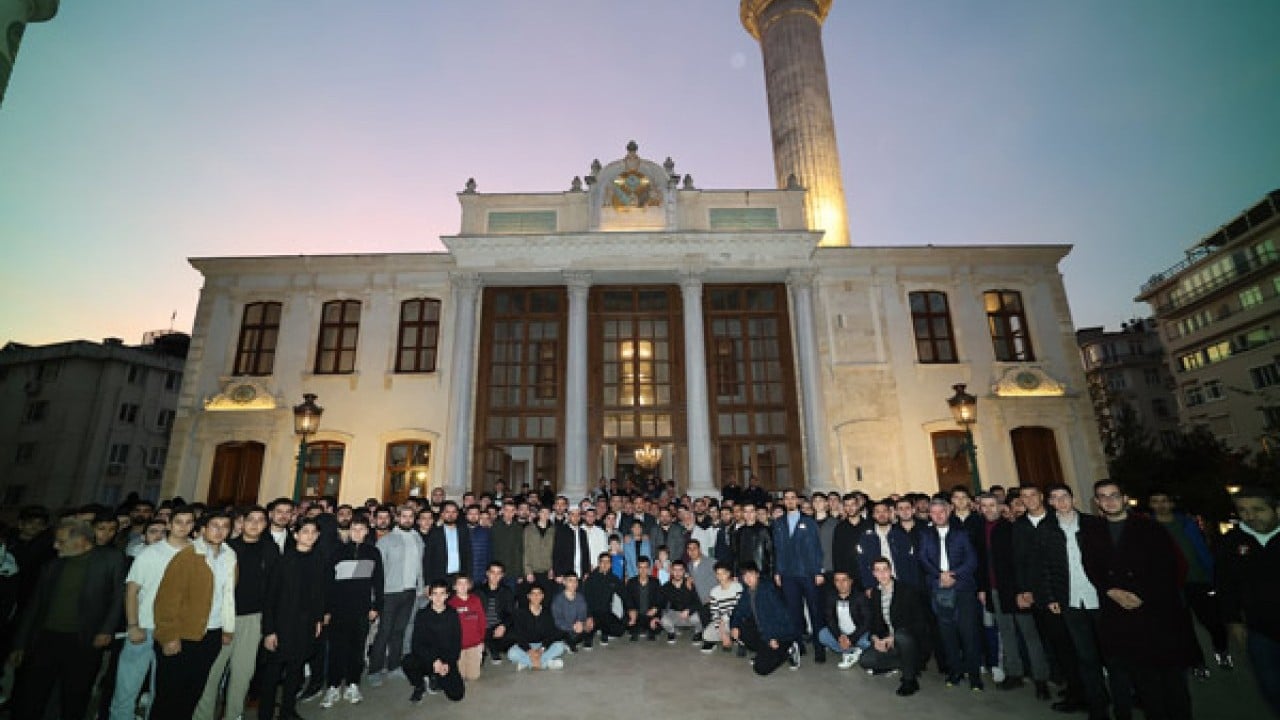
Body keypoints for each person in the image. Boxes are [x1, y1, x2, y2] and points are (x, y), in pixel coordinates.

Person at [1081, 479, 1199, 720]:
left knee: (1171, 681)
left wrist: (1142, 595)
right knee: (1144, 681)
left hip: (1157, 612)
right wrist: (1110, 590)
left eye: (1114, 495)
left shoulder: (1150, 528)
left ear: (1125, 499)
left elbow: (1169, 568)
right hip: (1120, 612)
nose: (1109, 501)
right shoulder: (1093, 532)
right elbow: (1091, 566)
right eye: (1103, 496)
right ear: (1097, 502)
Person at [7, 518, 124, 720]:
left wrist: (106, 630)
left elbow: (118, 597)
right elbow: (34, 607)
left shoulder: (111, 559)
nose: (55, 546)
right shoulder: (52, 565)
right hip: (46, 638)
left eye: (61, 541)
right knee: (32, 695)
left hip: (84, 640)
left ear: (81, 541)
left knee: (75, 697)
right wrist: (20, 644)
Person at [1039, 484, 1116, 720]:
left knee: (1113, 653)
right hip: (1070, 599)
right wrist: (1051, 596)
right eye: (1055, 498)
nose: (1061, 501)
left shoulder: (1093, 524)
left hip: (1099, 597)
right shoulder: (1046, 528)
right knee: (1086, 657)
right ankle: (1098, 707)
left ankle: (1125, 700)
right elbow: (1045, 566)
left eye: (1065, 496)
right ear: (1050, 502)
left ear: (1073, 498)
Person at [109, 508, 193, 720]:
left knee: (162, 690)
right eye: (179, 522)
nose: (183, 526)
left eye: (189, 522)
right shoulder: (150, 553)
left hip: (174, 629)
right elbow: (131, 591)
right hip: (144, 625)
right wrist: (132, 625)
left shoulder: (196, 552)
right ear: (170, 524)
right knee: (127, 688)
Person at [196, 505, 280, 720]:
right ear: (241, 523)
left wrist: (269, 625)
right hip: (221, 617)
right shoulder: (227, 548)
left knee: (243, 673)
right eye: (250, 519)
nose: (255, 524)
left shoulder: (270, 550)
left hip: (252, 618)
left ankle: (233, 715)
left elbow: (273, 589)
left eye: (260, 520)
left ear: (266, 524)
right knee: (212, 672)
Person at [152, 511, 237, 720]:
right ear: (203, 529)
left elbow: (227, 597)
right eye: (214, 525)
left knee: (193, 693)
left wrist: (227, 627)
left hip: (212, 633)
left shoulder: (230, 557)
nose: (219, 530)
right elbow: (167, 599)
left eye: (225, 526)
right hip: (183, 634)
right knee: (169, 696)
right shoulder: (188, 556)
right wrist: (169, 635)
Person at [1148, 488, 1232, 673]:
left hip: (1198, 579)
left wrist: (1212, 573)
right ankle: (1197, 662)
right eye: (1156, 501)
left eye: (1164, 500)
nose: (1160, 505)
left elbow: (1201, 548)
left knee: (1213, 621)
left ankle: (1222, 651)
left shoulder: (1186, 523)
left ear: (1171, 503)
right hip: (1171, 584)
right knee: (1184, 627)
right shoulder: (1148, 527)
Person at [977, 492, 1051, 699]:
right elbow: (982, 563)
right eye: (984, 506)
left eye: (992, 505)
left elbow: (1022, 561)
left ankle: (1041, 679)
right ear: (980, 508)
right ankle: (1014, 673)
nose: (988, 509)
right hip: (994, 590)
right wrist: (983, 588)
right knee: (1006, 632)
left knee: (1029, 634)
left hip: (1016, 590)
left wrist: (1024, 590)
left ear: (1000, 507)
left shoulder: (1012, 528)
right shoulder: (980, 530)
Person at [1216, 485, 1280, 717]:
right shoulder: (1231, 542)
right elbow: (1225, 585)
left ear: (1277, 510)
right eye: (1243, 510)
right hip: (1260, 630)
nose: (1250, 516)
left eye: (1258, 509)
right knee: (1271, 686)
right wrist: (1233, 621)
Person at [918, 497, 985, 690]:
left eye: (942, 511)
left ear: (949, 512)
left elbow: (971, 560)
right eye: (934, 512)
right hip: (939, 588)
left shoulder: (961, 533)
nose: (938, 515)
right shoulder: (925, 535)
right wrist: (940, 575)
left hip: (962, 588)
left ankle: (974, 676)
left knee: (968, 633)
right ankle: (955, 671)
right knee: (947, 634)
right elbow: (923, 559)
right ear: (930, 515)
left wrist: (953, 575)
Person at [321, 514, 383, 708]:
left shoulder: (373, 553)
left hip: (362, 609)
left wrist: (376, 607)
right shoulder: (337, 552)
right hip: (338, 609)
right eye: (353, 529)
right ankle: (333, 686)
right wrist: (327, 609)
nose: (357, 532)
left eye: (361, 529)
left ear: (366, 531)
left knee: (357, 649)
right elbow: (327, 583)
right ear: (348, 531)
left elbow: (378, 582)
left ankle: (353, 684)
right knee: (337, 649)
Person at [369, 504, 424, 686]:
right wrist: (375, 597)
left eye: (410, 516)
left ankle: (394, 666)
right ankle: (375, 669)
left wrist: (420, 588)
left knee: (399, 631)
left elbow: (420, 567)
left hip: (410, 592)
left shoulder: (417, 538)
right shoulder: (386, 541)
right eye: (404, 516)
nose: (407, 519)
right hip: (389, 593)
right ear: (397, 518)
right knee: (384, 632)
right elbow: (377, 571)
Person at [860, 557, 929, 696]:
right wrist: (876, 639)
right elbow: (874, 623)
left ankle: (909, 679)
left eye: (885, 569)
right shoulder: (875, 593)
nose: (882, 574)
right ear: (873, 574)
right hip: (890, 642)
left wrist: (893, 637)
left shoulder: (906, 590)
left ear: (891, 571)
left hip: (910, 640)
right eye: (878, 570)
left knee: (901, 636)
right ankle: (908, 664)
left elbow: (920, 623)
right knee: (866, 660)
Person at [730, 561, 800, 675]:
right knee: (742, 629)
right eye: (745, 576)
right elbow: (739, 611)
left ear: (757, 574)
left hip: (781, 634)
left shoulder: (768, 590)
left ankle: (789, 649)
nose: (748, 579)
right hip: (765, 632)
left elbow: (782, 617)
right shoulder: (748, 591)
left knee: (761, 669)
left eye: (751, 574)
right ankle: (763, 652)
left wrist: (773, 637)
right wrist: (734, 626)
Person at [406, 580, 467, 702]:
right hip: (428, 658)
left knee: (457, 695)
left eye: (442, 593)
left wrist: (448, 663)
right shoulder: (422, 615)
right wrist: (434, 661)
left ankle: (435, 678)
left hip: (446, 660)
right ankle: (420, 685)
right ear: (429, 596)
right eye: (435, 594)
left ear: (447, 595)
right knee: (408, 662)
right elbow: (416, 645)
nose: (438, 598)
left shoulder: (452, 614)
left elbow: (456, 642)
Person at [507, 584, 569, 670]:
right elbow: (518, 635)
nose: (536, 596)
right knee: (511, 653)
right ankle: (546, 663)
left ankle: (527, 663)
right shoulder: (520, 613)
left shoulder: (548, 613)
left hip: (542, 645)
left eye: (539, 593)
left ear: (542, 596)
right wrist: (529, 651)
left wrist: (541, 649)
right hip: (527, 645)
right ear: (529, 596)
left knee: (560, 646)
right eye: (533, 594)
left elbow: (552, 634)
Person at [818, 570, 870, 669]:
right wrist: (839, 636)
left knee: (867, 643)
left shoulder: (860, 597)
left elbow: (866, 622)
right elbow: (830, 620)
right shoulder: (831, 597)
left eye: (844, 580)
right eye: (837, 580)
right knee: (822, 635)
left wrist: (851, 638)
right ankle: (851, 651)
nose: (841, 584)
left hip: (859, 633)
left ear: (850, 581)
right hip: (842, 633)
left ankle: (854, 649)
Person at [449, 574, 488, 681]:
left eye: (465, 583)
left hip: (474, 644)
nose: (463, 586)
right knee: (460, 676)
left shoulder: (476, 600)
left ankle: (476, 661)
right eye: (459, 583)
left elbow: (482, 621)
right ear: (454, 586)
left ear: (469, 585)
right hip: (458, 646)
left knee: (473, 676)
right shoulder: (451, 604)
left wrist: (481, 640)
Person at [477, 562, 518, 664]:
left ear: (502, 575)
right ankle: (487, 646)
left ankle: (493, 646)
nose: (495, 576)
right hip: (481, 627)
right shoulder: (478, 591)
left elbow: (511, 613)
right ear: (487, 573)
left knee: (516, 635)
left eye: (498, 573)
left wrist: (503, 626)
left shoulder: (506, 591)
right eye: (492, 572)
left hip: (497, 626)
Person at [582, 553, 626, 644]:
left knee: (620, 630)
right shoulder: (590, 579)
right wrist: (588, 616)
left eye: (608, 562)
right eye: (603, 562)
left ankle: (604, 631)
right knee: (585, 631)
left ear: (611, 564)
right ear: (599, 563)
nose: (605, 564)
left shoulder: (613, 578)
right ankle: (591, 633)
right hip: (592, 614)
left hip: (606, 613)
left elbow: (624, 594)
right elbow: (585, 600)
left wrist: (631, 609)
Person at [424, 500, 472, 584]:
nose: (450, 515)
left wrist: (469, 577)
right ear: (442, 514)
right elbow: (428, 559)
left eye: (453, 512)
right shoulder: (434, 532)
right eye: (447, 512)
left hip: (459, 577)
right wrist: (428, 582)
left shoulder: (464, 531)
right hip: (439, 577)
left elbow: (468, 556)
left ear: (457, 514)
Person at [703, 561, 743, 653]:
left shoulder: (737, 587)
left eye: (723, 573)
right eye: (718, 574)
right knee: (706, 635)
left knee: (739, 627)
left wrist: (724, 619)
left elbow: (737, 608)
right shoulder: (714, 591)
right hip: (722, 622)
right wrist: (722, 631)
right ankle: (729, 637)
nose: (720, 576)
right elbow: (714, 612)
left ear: (728, 573)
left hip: (736, 619)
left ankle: (735, 637)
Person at [659, 560, 703, 643]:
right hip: (676, 614)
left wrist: (689, 610)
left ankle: (698, 632)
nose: (677, 573)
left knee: (698, 616)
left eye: (680, 570)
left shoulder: (690, 583)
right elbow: (660, 603)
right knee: (663, 619)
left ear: (684, 571)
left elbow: (699, 601)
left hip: (690, 614)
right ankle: (671, 632)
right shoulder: (666, 586)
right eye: (675, 570)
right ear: (671, 571)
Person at [551, 572, 595, 650]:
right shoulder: (558, 599)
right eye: (570, 580)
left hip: (577, 627)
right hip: (564, 629)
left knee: (591, 623)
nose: (573, 583)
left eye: (575, 581)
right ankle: (568, 642)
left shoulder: (580, 597)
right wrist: (572, 627)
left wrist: (582, 624)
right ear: (564, 582)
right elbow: (557, 620)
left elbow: (582, 615)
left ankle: (574, 641)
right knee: (561, 633)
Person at [623, 556, 663, 641]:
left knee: (658, 627)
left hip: (650, 614)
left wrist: (655, 609)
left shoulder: (655, 582)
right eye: (640, 567)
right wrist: (631, 610)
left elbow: (659, 599)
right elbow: (627, 599)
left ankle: (644, 628)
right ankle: (641, 628)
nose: (643, 570)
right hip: (637, 614)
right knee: (625, 622)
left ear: (649, 568)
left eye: (645, 567)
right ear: (637, 568)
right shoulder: (631, 582)